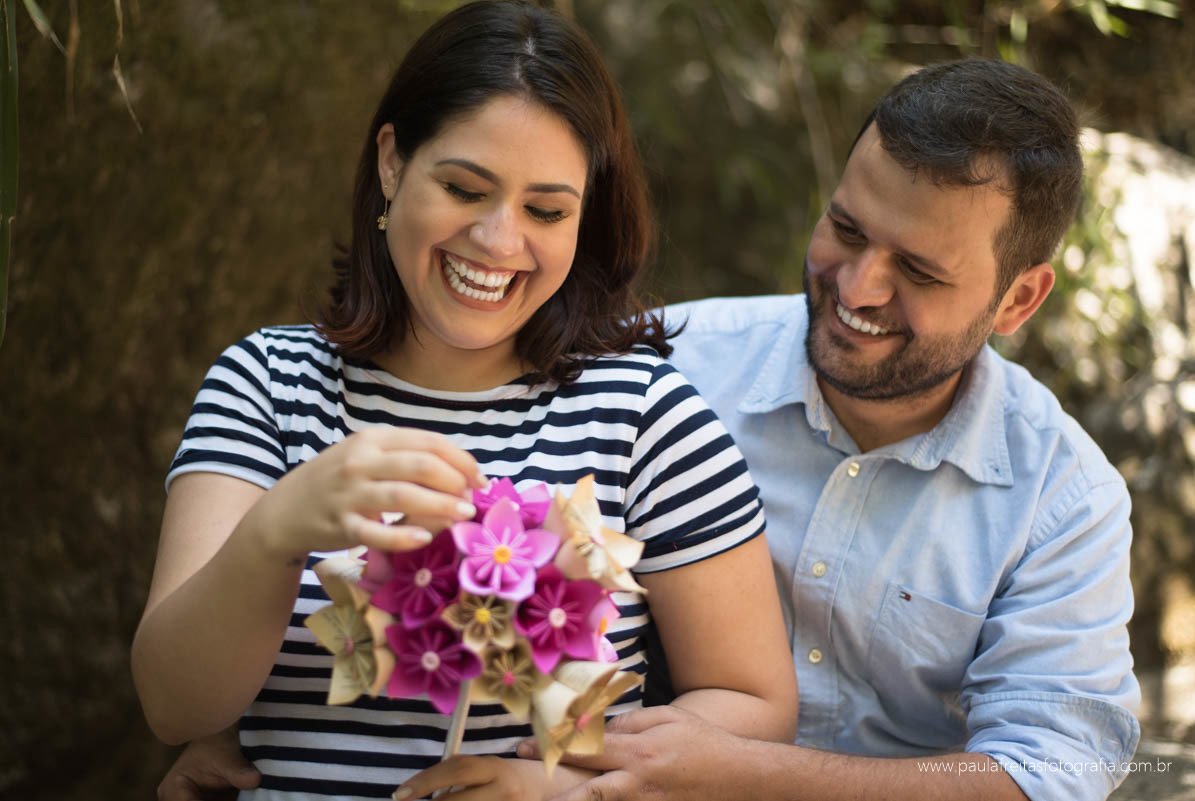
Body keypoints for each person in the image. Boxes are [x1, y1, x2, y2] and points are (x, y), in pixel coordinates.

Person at [157, 56, 1142, 801]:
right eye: (846, 229)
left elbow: (1048, 771)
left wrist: (717, 773)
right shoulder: (664, 360)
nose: (859, 288)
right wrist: (257, 720)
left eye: (920, 273)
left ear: (1020, 299)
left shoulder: (1062, 497)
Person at [130, 2, 798, 800]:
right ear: (391, 162)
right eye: (463, 187)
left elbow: (757, 707)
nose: (498, 239)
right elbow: (174, 705)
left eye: (546, 210)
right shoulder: (267, 384)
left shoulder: (646, 418)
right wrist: (277, 529)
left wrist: (579, 789)